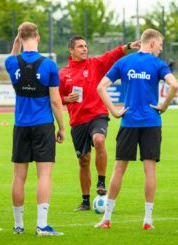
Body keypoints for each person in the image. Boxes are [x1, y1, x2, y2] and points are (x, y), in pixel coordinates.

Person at [95, 29, 178, 229]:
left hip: (129, 122)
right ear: (151, 43)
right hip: (151, 122)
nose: (160, 49)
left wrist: (115, 111)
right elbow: (174, 85)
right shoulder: (158, 64)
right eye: (159, 45)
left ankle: (106, 219)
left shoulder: (124, 62)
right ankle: (148, 220)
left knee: (119, 169)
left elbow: (100, 87)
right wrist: (164, 105)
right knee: (149, 169)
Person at [59, 36, 140, 211]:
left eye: (85, 46)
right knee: (84, 160)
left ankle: (101, 181)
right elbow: (54, 99)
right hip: (78, 121)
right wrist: (66, 98)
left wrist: (128, 46)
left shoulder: (94, 64)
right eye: (80, 46)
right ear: (71, 50)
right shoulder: (63, 74)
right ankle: (86, 201)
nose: (84, 49)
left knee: (99, 140)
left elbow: (112, 55)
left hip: (98, 115)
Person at [5, 22, 65, 236]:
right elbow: (56, 101)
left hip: (21, 125)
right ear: (38, 37)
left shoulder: (11, 62)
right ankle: (41, 225)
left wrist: (16, 44)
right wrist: (62, 128)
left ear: (19, 39)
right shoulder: (49, 65)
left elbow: (12, 57)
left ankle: (18, 225)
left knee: (18, 176)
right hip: (42, 125)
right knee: (44, 175)